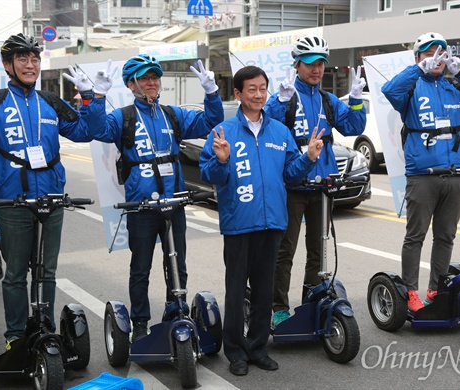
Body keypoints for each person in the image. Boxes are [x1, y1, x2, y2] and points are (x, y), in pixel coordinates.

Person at [0, 33, 114, 346]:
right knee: (17, 274)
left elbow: (88, 131)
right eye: (22, 58)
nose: (30, 64)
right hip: (12, 201)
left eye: (34, 59)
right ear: (8, 64)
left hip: (51, 199)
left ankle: (44, 329)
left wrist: (91, 98)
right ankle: (16, 337)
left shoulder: (50, 102)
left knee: (47, 271)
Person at [86, 55, 224, 342]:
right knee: (141, 268)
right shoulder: (122, 117)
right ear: (131, 84)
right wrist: (98, 96)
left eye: (155, 78)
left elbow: (210, 121)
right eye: (145, 78)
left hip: (174, 202)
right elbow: (96, 130)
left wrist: (211, 93)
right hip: (142, 206)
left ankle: (177, 310)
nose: (152, 83)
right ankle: (139, 322)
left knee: (177, 262)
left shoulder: (171, 115)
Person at [199, 65, 324, 376]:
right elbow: (210, 175)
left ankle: (257, 348)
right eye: (251, 89)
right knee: (236, 289)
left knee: (265, 291)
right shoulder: (222, 131)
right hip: (239, 223)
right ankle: (236, 352)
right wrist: (222, 159)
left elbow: (290, 173)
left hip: (272, 223)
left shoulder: (279, 131)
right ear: (238, 93)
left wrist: (308, 157)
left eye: (262, 88)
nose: (258, 94)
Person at [381, 32, 460, 312]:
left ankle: (436, 287)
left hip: (456, 175)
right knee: (415, 236)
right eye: (430, 53)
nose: (437, 58)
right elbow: (390, 91)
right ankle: (410, 291)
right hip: (422, 175)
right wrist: (418, 70)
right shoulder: (410, 89)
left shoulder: (456, 87)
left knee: (446, 236)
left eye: (441, 53)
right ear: (418, 58)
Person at [264, 34, 367, 327]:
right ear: (296, 65)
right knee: (285, 250)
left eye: (321, 64)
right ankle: (278, 308)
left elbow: (354, 125)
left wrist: (357, 100)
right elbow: (268, 124)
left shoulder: (328, 100)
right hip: (292, 185)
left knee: (318, 248)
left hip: (323, 185)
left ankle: (311, 301)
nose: (316, 70)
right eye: (310, 63)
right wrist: (281, 101)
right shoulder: (286, 95)